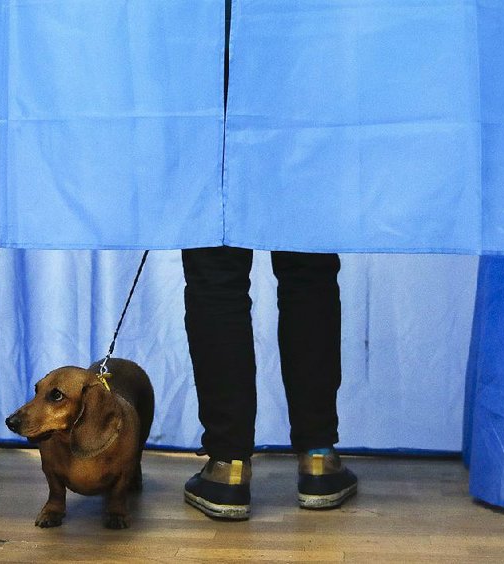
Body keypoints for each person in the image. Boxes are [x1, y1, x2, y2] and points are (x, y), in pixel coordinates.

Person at [180, 2, 356, 520]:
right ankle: (319, 458)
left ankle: (228, 467)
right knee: (308, 269)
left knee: (215, 273)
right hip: (303, 56)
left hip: (211, 51)